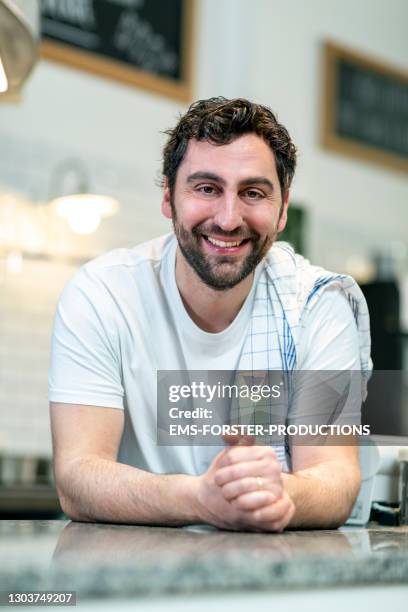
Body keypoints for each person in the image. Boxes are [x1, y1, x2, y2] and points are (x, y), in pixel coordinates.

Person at [49, 97, 371, 532]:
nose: (228, 217)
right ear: (168, 196)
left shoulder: (317, 305)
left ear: (282, 210)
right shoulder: (103, 295)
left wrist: (270, 492)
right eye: (206, 188)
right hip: (128, 574)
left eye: (253, 193)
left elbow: (336, 477)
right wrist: (200, 499)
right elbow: (77, 475)